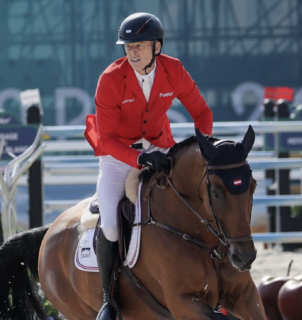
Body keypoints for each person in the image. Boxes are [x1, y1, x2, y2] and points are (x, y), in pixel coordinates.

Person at [84, 12, 213, 320]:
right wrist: (140, 159)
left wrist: (202, 147)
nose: (131, 51)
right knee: (112, 224)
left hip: (161, 145)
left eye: (138, 45)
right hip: (118, 155)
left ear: (157, 46)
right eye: (127, 46)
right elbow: (109, 139)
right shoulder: (110, 80)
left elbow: (202, 113)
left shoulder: (174, 69)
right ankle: (109, 299)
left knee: (197, 199)